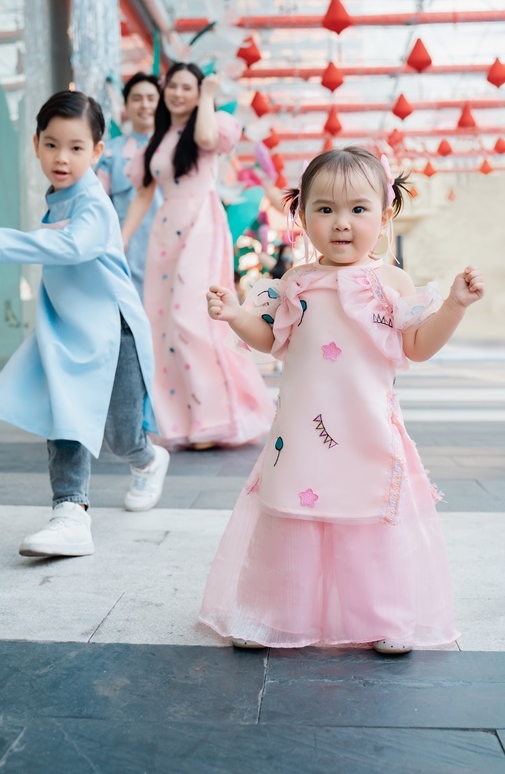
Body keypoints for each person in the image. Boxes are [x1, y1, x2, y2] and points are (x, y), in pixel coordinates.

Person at [200, 146, 485, 653]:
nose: (341, 223)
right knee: (291, 510)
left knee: (366, 512)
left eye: (358, 209)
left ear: (385, 214)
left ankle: (382, 618)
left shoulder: (391, 282)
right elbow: (270, 340)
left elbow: (416, 347)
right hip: (301, 431)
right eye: (324, 209)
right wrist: (236, 315)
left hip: (365, 427)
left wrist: (454, 307)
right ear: (302, 215)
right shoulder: (295, 282)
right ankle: (275, 614)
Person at [0, 90, 170, 558]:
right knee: (66, 416)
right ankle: (70, 512)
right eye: (52, 144)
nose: (63, 158)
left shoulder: (93, 202)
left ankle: (148, 459)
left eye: (77, 147)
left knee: (122, 437)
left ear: (98, 152)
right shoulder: (58, 198)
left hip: (112, 331)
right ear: (37, 144)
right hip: (67, 332)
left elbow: (75, 248)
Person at [122, 62, 276, 450]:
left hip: (201, 227)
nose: (177, 93)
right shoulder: (156, 142)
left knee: (193, 317)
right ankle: (181, 421)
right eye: (172, 86)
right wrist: (120, 239)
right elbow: (143, 193)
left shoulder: (211, 126)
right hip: (165, 230)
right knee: (163, 326)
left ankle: (219, 416)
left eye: (186, 87)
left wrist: (208, 96)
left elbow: (208, 137)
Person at [96, 72, 161, 298]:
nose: (145, 105)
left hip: (171, 250)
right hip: (126, 254)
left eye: (151, 98)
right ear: (126, 104)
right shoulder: (109, 153)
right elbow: (97, 202)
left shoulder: (175, 150)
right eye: (137, 98)